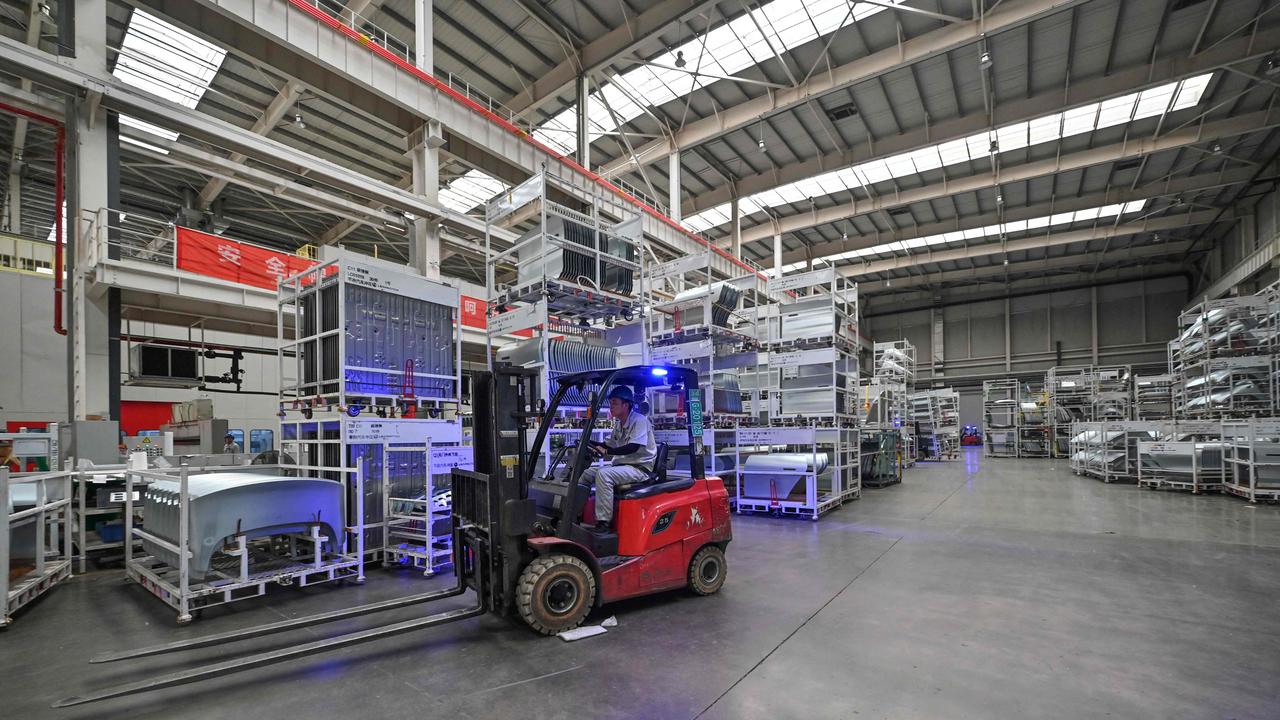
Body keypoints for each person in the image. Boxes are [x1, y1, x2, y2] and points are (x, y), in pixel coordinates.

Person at [580, 385, 657, 532]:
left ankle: (603, 522)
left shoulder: (639, 421)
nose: (611, 407)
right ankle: (575, 512)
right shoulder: (619, 424)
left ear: (626, 405)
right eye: (610, 403)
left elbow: (633, 447)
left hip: (640, 469)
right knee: (587, 473)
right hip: (624, 467)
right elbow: (607, 444)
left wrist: (608, 451)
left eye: (614, 403)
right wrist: (588, 442)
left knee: (604, 474)